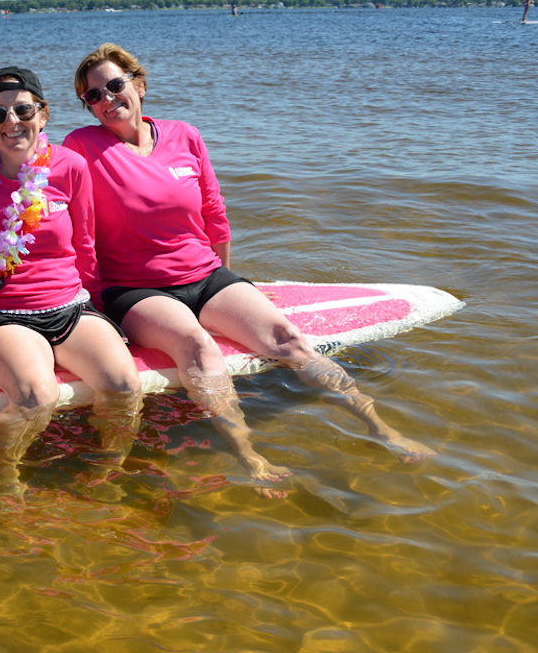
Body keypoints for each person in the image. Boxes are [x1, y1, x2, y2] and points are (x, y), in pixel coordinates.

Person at [64, 43, 436, 495]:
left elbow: (213, 213)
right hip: (137, 289)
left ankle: (382, 429)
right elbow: (73, 225)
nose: (107, 99)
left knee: (289, 340)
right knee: (197, 347)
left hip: (205, 275)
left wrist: (229, 283)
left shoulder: (185, 135)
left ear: (139, 84)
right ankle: (249, 455)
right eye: (93, 96)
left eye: (115, 85)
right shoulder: (82, 147)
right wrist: (90, 302)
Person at [0, 67, 144, 501]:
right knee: (37, 396)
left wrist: (102, 312)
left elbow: (86, 245)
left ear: (43, 114)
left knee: (124, 385)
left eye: (22, 110)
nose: (11, 122)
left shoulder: (70, 167)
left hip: (70, 308)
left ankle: (108, 469)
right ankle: (5, 477)